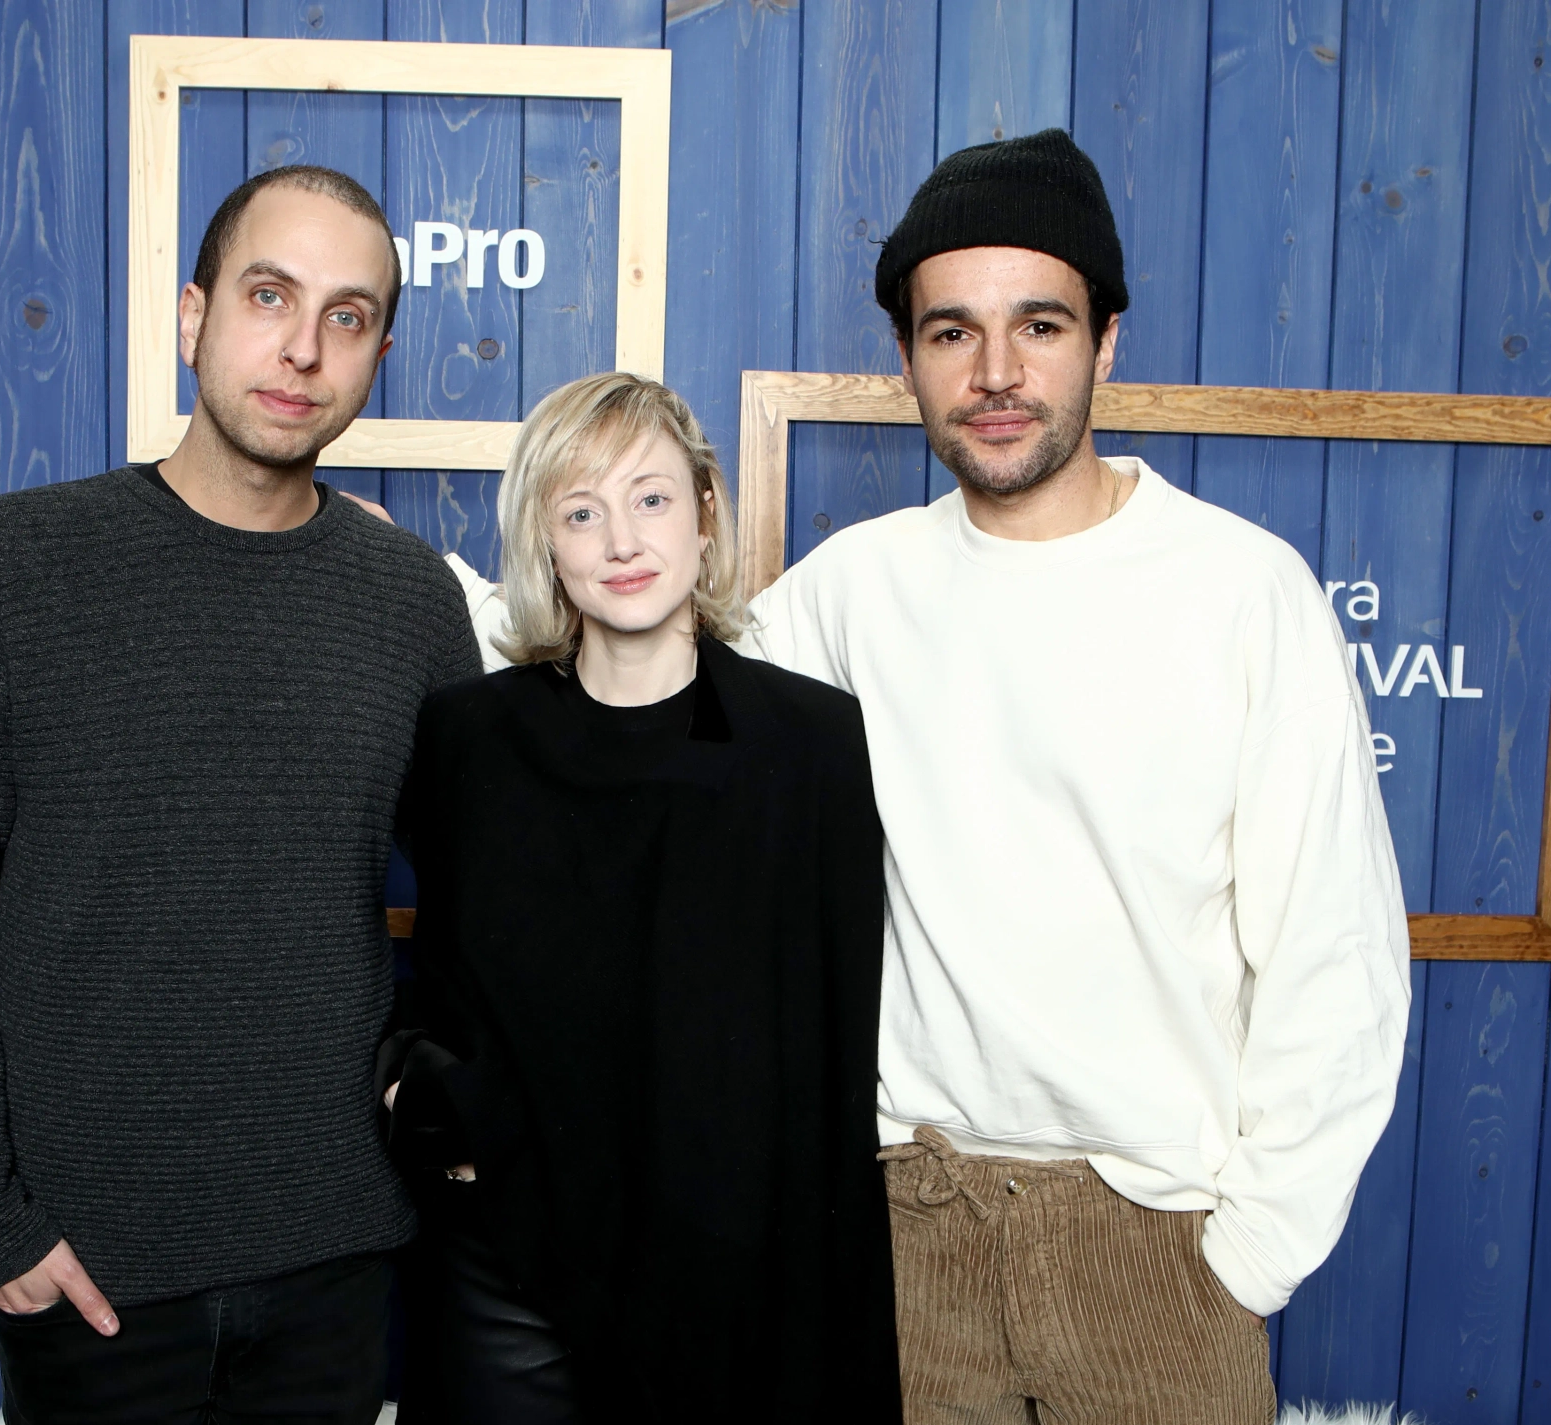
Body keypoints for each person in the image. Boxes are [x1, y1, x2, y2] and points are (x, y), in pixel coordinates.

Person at [455, 130, 1411, 1424]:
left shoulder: (1245, 593)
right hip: (908, 1230)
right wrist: (410, 587)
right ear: (907, 358)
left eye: (1041, 326)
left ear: (1107, 339)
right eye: (953, 332)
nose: (999, 372)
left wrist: (1245, 1257)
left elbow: (1334, 958)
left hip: (1151, 1250)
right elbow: (641, 671)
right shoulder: (860, 586)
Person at [0, 165, 479, 1425]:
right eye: (270, 296)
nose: (303, 348)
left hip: (340, 1255)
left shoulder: (409, 601)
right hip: (91, 1272)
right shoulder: (13, 565)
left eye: (349, 316)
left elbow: (493, 897)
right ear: (195, 317)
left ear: (376, 356)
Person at [383, 372, 901, 1424]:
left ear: (706, 514)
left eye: (651, 498)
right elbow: (444, 986)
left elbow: (835, 1056)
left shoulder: (810, 744)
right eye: (582, 511)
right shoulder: (470, 737)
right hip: (514, 1265)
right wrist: (422, 1101)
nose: (621, 539)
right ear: (547, 544)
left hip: (732, 1269)